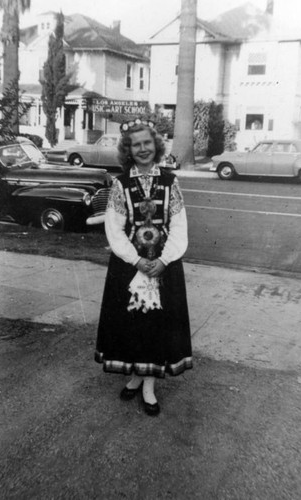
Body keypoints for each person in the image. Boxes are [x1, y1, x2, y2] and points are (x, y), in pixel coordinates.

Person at [94, 118, 192, 416]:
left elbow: (179, 224)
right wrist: (136, 260)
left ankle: (149, 385)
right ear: (128, 149)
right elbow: (114, 227)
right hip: (129, 265)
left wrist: (164, 260)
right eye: (136, 145)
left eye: (147, 143)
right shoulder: (121, 183)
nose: (143, 149)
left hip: (164, 266)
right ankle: (135, 376)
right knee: (131, 324)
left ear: (156, 145)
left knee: (157, 326)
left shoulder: (169, 181)